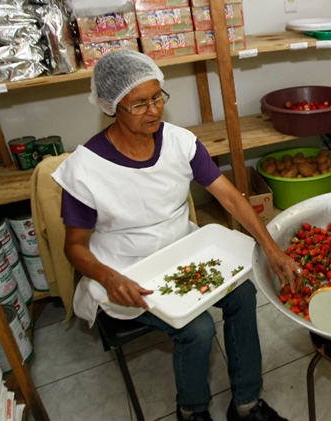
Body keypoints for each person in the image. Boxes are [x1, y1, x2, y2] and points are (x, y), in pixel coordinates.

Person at [52, 50, 299, 421]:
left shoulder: (180, 142)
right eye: (139, 104)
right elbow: (74, 246)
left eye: (157, 98)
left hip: (185, 253)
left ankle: (247, 403)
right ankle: (192, 411)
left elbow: (230, 196)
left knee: (244, 294)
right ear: (111, 106)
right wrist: (108, 277)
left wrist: (272, 248)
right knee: (197, 329)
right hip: (127, 272)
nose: (153, 110)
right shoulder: (86, 169)